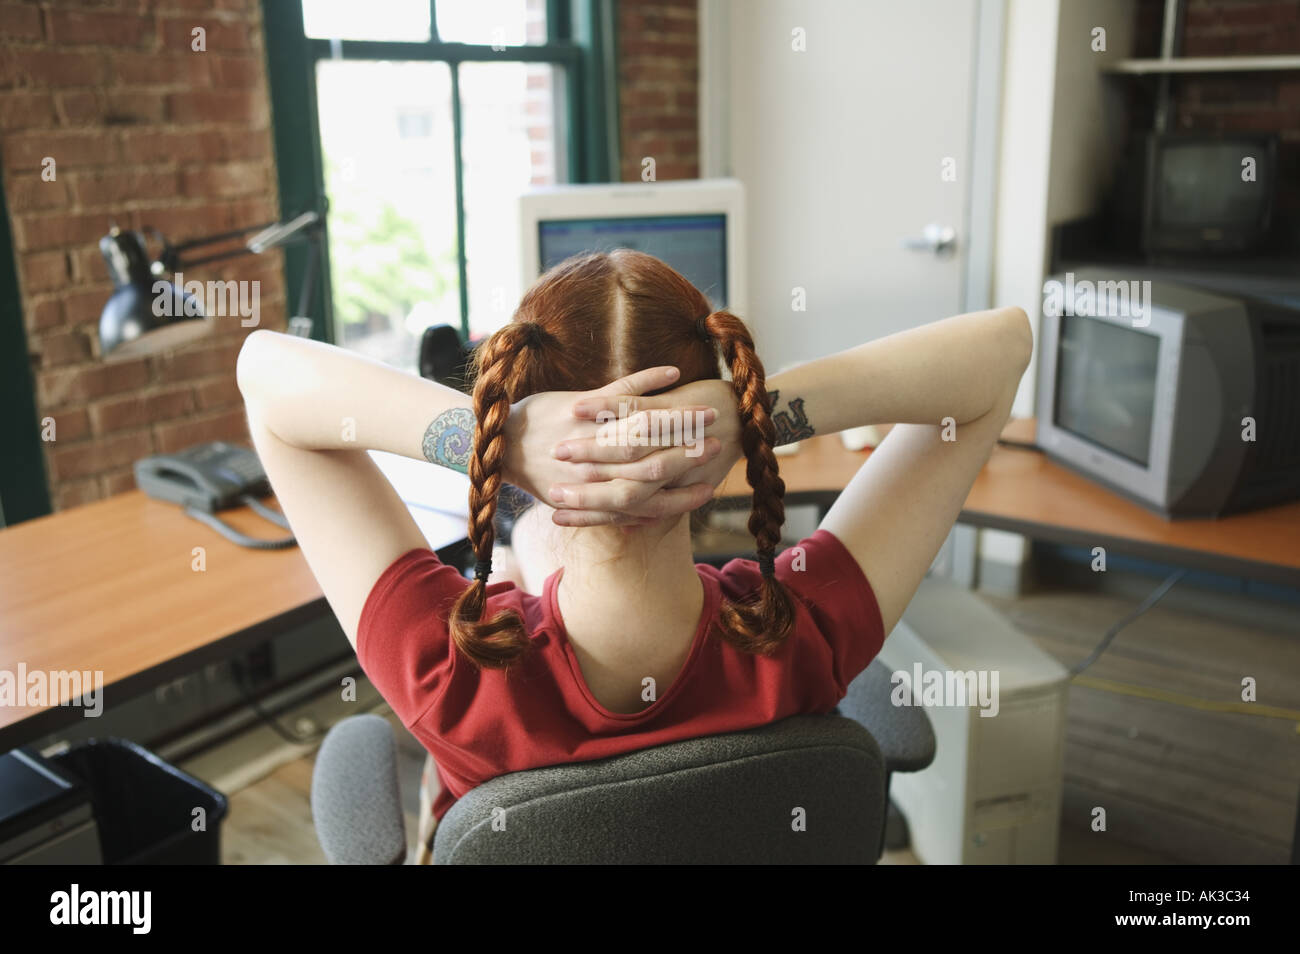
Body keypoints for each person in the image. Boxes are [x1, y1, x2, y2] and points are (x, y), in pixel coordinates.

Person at [236, 249, 1032, 861]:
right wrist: (756, 417)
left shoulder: (449, 678)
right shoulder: (804, 636)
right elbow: (1000, 351)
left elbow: (265, 379)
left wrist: (493, 439)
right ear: (711, 412)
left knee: (525, 551)